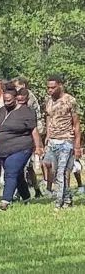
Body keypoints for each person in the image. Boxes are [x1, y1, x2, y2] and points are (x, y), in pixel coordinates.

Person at [0, 84, 42, 211]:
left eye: (9, 100)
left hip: (22, 147)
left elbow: (34, 130)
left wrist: (38, 147)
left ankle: (5, 202)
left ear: (16, 98)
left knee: (10, 172)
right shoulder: (2, 110)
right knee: (18, 175)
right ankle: (26, 197)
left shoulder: (27, 111)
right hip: (3, 149)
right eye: (5, 100)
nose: (7, 102)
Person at [45, 74, 82, 209]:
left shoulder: (69, 100)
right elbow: (49, 117)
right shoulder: (49, 101)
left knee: (61, 172)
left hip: (66, 140)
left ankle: (58, 202)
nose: (50, 90)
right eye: (48, 88)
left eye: (53, 87)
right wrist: (48, 135)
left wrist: (77, 146)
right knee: (56, 173)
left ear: (60, 86)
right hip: (53, 141)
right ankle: (68, 199)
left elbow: (77, 123)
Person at [16, 87, 43, 198]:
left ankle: (19, 193)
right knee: (28, 167)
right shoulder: (15, 110)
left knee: (24, 167)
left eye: (23, 101)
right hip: (17, 141)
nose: (20, 103)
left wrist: (37, 146)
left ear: (27, 99)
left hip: (28, 142)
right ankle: (36, 189)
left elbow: (34, 130)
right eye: (19, 100)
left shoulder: (30, 112)